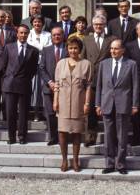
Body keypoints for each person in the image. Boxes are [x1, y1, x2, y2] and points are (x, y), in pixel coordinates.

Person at [95, 39, 140, 175]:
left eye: (116, 49)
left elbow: (135, 86)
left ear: (122, 50)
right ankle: (109, 163)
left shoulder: (131, 64)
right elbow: (99, 86)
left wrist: (135, 104)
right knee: (108, 135)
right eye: (111, 49)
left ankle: (120, 164)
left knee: (122, 136)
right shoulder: (104, 64)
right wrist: (97, 103)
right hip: (107, 103)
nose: (113, 51)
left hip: (124, 104)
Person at [53, 37, 92, 172]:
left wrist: (87, 103)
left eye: (75, 48)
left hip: (78, 103)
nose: (73, 50)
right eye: (70, 48)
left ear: (79, 49)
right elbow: (57, 84)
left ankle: (75, 160)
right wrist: (55, 100)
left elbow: (88, 86)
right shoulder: (61, 63)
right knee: (62, 133)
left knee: (76, 133)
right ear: (67, 49)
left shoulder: (86, 64)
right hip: (63, 103)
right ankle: (64, 160)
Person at [80, 15, 117, 146]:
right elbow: (82, 59)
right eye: (96, 24)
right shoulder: (86, 40)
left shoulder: (112, 39)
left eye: (101, 24)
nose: (98, 27)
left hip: (107, 79)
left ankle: (112, 137)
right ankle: (90, 136)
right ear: (92, 25)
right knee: (90, 111)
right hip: (91, 79)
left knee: (109, 109)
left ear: (105, 25)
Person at [1, 24, 40, 144]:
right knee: (11, 112)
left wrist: (25, 78)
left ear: (28, 35)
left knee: (23, 113)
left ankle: (22, 136)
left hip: (24, 83)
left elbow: (33, 69)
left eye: (25, 33)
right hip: (10, 84)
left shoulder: (33, 50)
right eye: (21, 33)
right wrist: (9, 78)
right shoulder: (8, 47)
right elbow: (4, 66)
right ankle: (11, 137)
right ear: (17, 34)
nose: (23, 35)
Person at [39, 27, 67, 146]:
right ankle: (52, 137)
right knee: (50, 113)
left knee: (63, 113)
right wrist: (50, 82)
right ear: (51, 36)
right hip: (48, 87)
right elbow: (41, 68)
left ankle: (63, 136)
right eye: (54, 35)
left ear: (63, 35)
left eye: (59, 35)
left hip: (65, 87)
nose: (56, 37)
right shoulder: (46, 50)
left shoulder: (68, 49)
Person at [27, 14, 52, 121]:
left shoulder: (48, 34)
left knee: (44, 89)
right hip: (31, 65)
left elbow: (48, 48)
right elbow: (28, 46)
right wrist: (41, 47)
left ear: (43, 23)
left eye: (39, 22)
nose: (37, 24)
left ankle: (46, 113)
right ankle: (36, 113)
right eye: (35, 22)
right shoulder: (28, 33)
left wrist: (35, 45)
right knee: (34, 90)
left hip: (44, 64)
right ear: (32, 23)